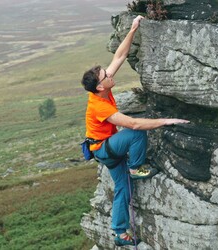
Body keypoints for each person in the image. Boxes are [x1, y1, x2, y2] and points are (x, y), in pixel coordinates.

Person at [81, 15, 189, 247]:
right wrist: (166, 121)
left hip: (107, 147)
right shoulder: (99, 105)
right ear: (101, 86)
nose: (111, 74)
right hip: (104, 150)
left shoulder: (101, 88)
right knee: (136, 133)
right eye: (106, 76)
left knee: (122, 188)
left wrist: (133, 29)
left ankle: (120, 233)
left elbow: (119, 56)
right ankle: (136, 167)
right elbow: (134, 125)